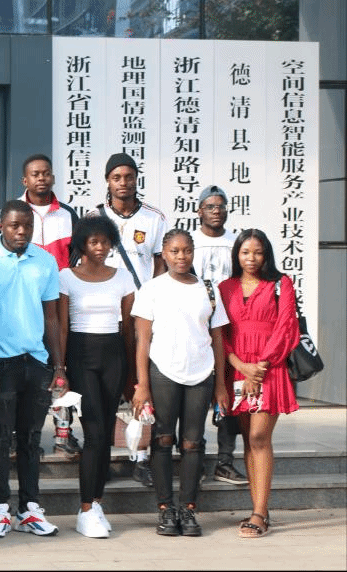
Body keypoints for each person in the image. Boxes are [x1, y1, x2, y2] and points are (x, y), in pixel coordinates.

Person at [0, 200, 65, 539]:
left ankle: (30, 510)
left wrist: (58, 365)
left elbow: (51, 316)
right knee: (0, 438)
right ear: (1, 226)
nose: (22, 232)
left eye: (27, 226)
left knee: (32, 439)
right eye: (14, 226)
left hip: (35, 361)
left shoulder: (45, 261)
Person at [131, 229, 229, 537]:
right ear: (164, 253)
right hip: (163, 372)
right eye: (174, 251)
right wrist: (142, 385)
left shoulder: (208, 289)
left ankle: (188, 509)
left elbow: (217, 339)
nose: (181, 256)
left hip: (201, 374)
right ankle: (166, 508)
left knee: (192, 442)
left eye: (187, 250)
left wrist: (221, 385)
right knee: (162, 439)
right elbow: (142, 340)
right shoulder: (152, 289)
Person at [217, 229, 300, 538]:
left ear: (267, 255)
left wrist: (260, 367)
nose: (251, 258)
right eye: (245, 252)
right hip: (238, 369)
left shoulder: (281, 284)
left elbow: (286, 327)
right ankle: (258, 507)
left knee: (259, 437)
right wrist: (240, 366)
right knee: (247, 440)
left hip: (269, 369)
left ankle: (260, 513)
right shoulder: (225, 287)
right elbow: (220, 332)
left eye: (258, 252)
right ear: (236, 255)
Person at [57, 217, 135, 538]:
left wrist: (132, 373)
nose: (100, 247)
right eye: (94, 242)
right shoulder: (66, 277)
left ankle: (97, 503)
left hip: (114, 355)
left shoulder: (123, 278)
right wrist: (60, 368)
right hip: (80, 355)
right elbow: (62, 327)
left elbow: (128, 329)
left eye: (105, 241)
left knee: (105, 434)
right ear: (82, 245)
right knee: (94, 431)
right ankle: (85, 508)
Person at [94, 151, 168, 487]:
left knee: (140, 386)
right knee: (107, 388)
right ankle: (103, 457)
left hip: (141, 318)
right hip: (104, 318)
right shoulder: (95, 217)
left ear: (137, 179)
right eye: (116, 177)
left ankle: (140, 458)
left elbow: (161, 267)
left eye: (129, 177)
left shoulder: (154, 218)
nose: (123, 183)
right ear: (107, 181)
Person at [20, 153, 81, 459]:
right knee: (25, 369)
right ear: (25, 180)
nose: (41, 178)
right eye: (35, 174)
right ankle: (24, 435)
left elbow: (76, 258)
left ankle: (63, 434)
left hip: (59, 304)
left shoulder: (68, 215)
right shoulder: (15, 212)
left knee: (61, 365)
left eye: (46, 173)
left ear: (53, 177)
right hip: (22, 304)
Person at [192, 185, 249, 486]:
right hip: (197, 326)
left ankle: (225, 462)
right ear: (199, 210)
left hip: (231, 327)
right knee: (197, 396)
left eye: (221, 205)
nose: (217, 211)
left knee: (228, 393)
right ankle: (196, 460)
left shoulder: (236, 243)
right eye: (210, 206)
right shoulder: (190, 242)